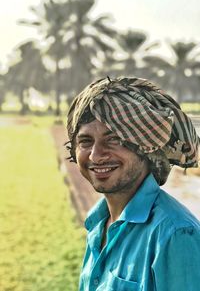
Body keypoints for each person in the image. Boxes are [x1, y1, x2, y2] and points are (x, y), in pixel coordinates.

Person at [66, 76, 200, 291]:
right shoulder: (98, 222)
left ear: (147, 148)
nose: (95, 156)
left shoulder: (175, 234)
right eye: (85, 141)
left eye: (114, 140)